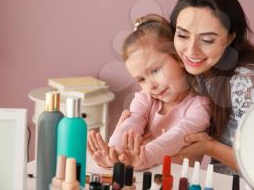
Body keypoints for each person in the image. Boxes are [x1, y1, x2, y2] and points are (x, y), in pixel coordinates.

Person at [168, 0, 254, 175]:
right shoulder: (195, 72)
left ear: (230, 39)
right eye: (183, 35)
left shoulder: (248, 82)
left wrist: (209, 147)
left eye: (207, 40)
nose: (191, 50)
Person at [87, 14, 210, 170]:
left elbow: (179, 136)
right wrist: (114, 152)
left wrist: (145, 156)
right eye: (141, 79)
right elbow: (132, 123)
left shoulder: (200, 106)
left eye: (155, 70)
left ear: (179, 58)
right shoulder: (145, 99)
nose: (150, 86)